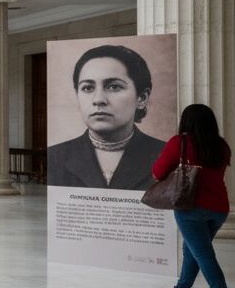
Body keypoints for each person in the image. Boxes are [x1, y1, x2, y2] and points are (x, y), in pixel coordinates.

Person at [47, 44, 167, 190]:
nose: (98, 99)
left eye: (114, 86)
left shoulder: (164, 153)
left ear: (141, 98)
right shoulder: (55, 156)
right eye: (88, 88)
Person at [158, 104, 234, 288]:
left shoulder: (180, 143)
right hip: (219, 208)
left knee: (202, 254)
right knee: (193, 249)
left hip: (190, 208)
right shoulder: (221, 146)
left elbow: (158, 171)